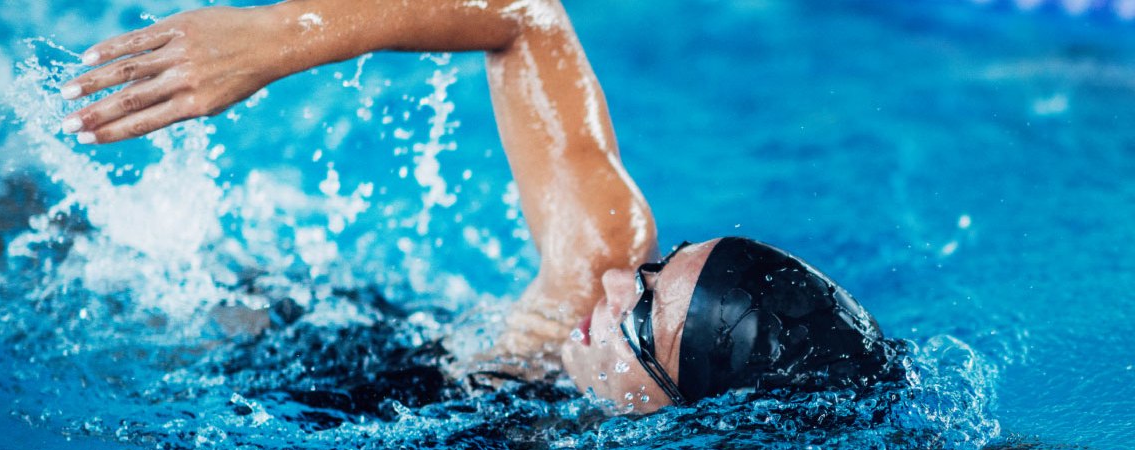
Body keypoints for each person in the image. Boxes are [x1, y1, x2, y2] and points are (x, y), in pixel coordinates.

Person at [59, 0, 895, 414]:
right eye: (651, 271)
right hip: (246, 326)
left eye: (644, 322)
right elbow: (524, 17)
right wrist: (277, 36)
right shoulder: (592, 273)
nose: (611, 285)